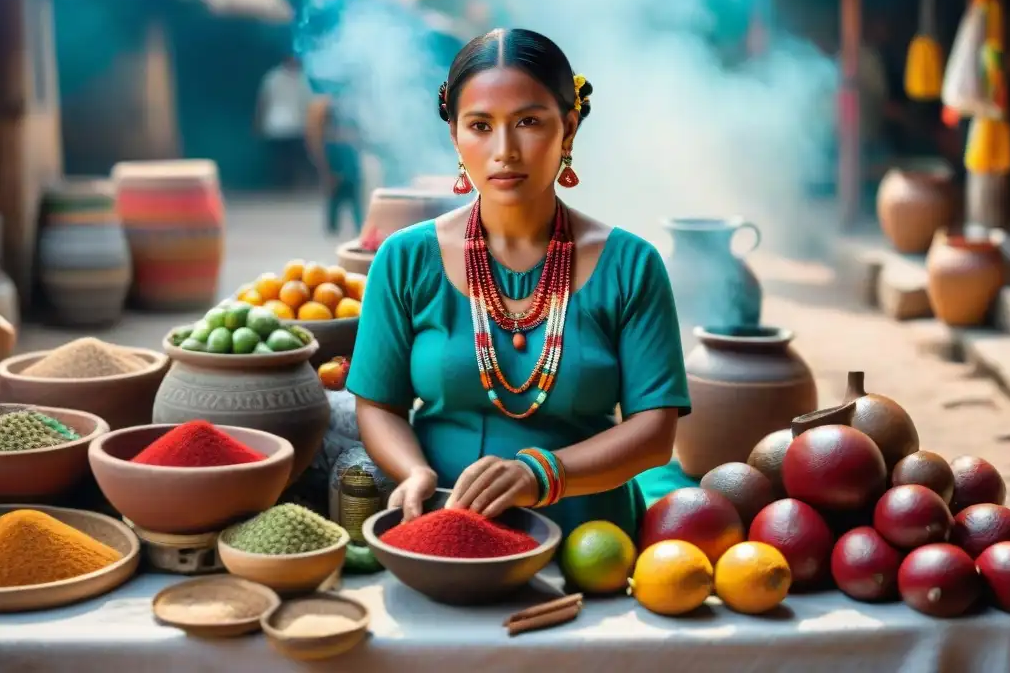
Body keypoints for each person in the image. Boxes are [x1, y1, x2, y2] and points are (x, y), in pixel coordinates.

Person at [344, 28, 689, 541]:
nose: (504, 149)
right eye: (480, 125)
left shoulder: (631, 265)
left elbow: (654, 434)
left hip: (590, 542)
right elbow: (378, 405)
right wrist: (413, 471)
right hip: (442, 526)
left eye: (529, 122)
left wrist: (541, 475)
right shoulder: (405, 258)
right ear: (455, 137)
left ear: (568, 130)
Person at [306, 94, 364, 236]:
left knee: (352, 202)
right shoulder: (328, 141)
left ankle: (357, 226)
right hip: (339, 171)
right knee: (335, 201)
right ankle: (334, 226)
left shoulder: (345, 136)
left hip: (349, 173)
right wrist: (330, 174)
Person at [255, 55, 314, 188]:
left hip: (279, 125)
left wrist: (258, 121)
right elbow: (308, 103)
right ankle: (287, 184)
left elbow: (263, 101)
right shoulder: (297, 79)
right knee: (289, 158)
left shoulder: (272, 77)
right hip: (288, 125)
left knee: (284, 158)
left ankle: (286, 183)